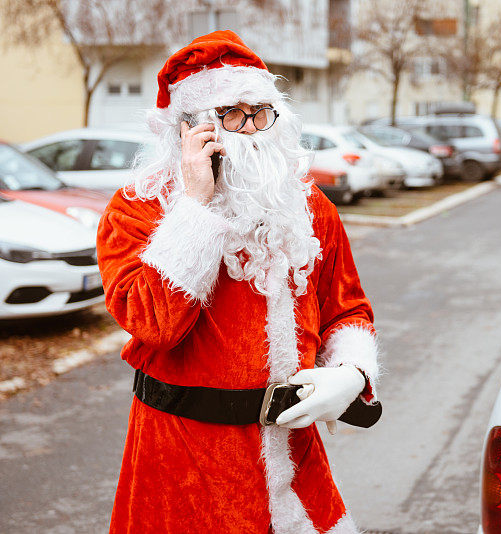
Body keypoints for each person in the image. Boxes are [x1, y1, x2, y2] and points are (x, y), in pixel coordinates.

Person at [96, 30, 381, 533]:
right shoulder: (136, 209)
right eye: (232, 113)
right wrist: (196, 208)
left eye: (261, 112)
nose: (251, 129)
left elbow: (347, 309)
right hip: (184, 461)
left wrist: (351, 374)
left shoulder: (309, 208)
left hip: (296, 461)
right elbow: (154, 324)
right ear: (189, 129)